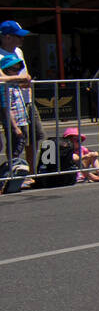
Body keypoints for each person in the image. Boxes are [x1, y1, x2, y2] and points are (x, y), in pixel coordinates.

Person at [0, 20, 41, 187]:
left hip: (25, 99)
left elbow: (24, 74)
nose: (22, 39)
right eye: (19, 36)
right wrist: (19, 79)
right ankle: (12, 173)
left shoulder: (19, 52)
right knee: (15, 138)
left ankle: (30, 172)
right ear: (7, 37)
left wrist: (25, 80)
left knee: (36, 135)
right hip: (6, 102)